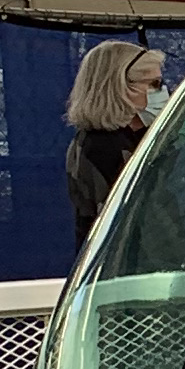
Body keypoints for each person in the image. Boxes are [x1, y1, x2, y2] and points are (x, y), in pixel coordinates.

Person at [64, 41, 166, 242]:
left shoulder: (132, 137)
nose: (162, 92)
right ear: (119, 86)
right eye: (153, 84)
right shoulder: (102, 147)